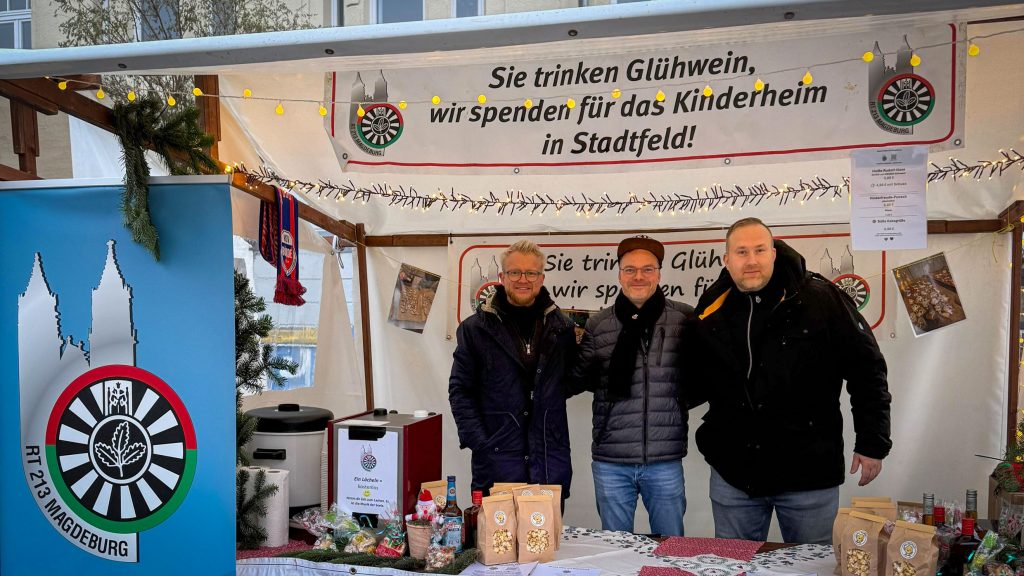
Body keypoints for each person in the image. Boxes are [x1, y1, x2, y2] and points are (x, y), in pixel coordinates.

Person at [688, 217, 892, 544]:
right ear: (726, 259)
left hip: (808, 475)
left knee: (811, 568)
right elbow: (695, 375)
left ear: (773, 252)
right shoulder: (712, 306)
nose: (751, 260)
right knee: (732, 566)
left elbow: (867, 370)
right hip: (735, 475)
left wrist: (872, 442)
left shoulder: (823, 298)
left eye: (759, 250)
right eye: (741, 252)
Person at [572, 235, 693, 536]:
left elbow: (701, 377)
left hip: (664, 459)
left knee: (671, 549)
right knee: (614, 549)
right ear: (619, 274)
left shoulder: (684, 318)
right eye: (630, 269)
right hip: (611, 459)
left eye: (647, 269)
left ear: (659, 273)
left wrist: (677, 405)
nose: (638, 276)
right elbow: (580, 378)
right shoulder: (599, 324)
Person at [449, 240, 577, 500]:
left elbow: (572, 382)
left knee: (546, 540)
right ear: (502, 277)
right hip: (497, 462)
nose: (523, 279)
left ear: (541, 278)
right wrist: (480, 442)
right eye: (514, 272)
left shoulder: (562, 327)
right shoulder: (475, 330)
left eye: (531, 273)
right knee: (496, 541)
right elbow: (460, 391)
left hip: (548, 462)